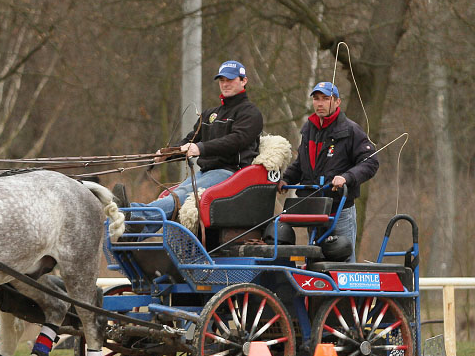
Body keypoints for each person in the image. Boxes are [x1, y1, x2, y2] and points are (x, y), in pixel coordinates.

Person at [115, 60, 263, 232]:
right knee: (173, 196)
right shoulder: (210, 114)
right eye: (222, 80)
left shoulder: (250, 113)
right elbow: (189, 140)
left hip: (231, 174)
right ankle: (134, 235)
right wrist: (168, 154)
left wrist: (201, 148)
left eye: (230, 80)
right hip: (205, 173)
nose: (225, 84)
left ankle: (131, 214)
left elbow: (237, 140)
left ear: (243, 81)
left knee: (181, 196)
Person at [277, 81, 378, 262]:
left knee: (343, 261)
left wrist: (347, 177)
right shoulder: (309, 129)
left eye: (326, 99)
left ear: (337, 102)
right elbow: (302, 163)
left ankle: (348, 291)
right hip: (314, 208)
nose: (320, 103)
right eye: (316, 99)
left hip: (339, 207)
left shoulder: (351, 130)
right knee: (315, 261)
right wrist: (285, 179)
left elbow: (370, 162)